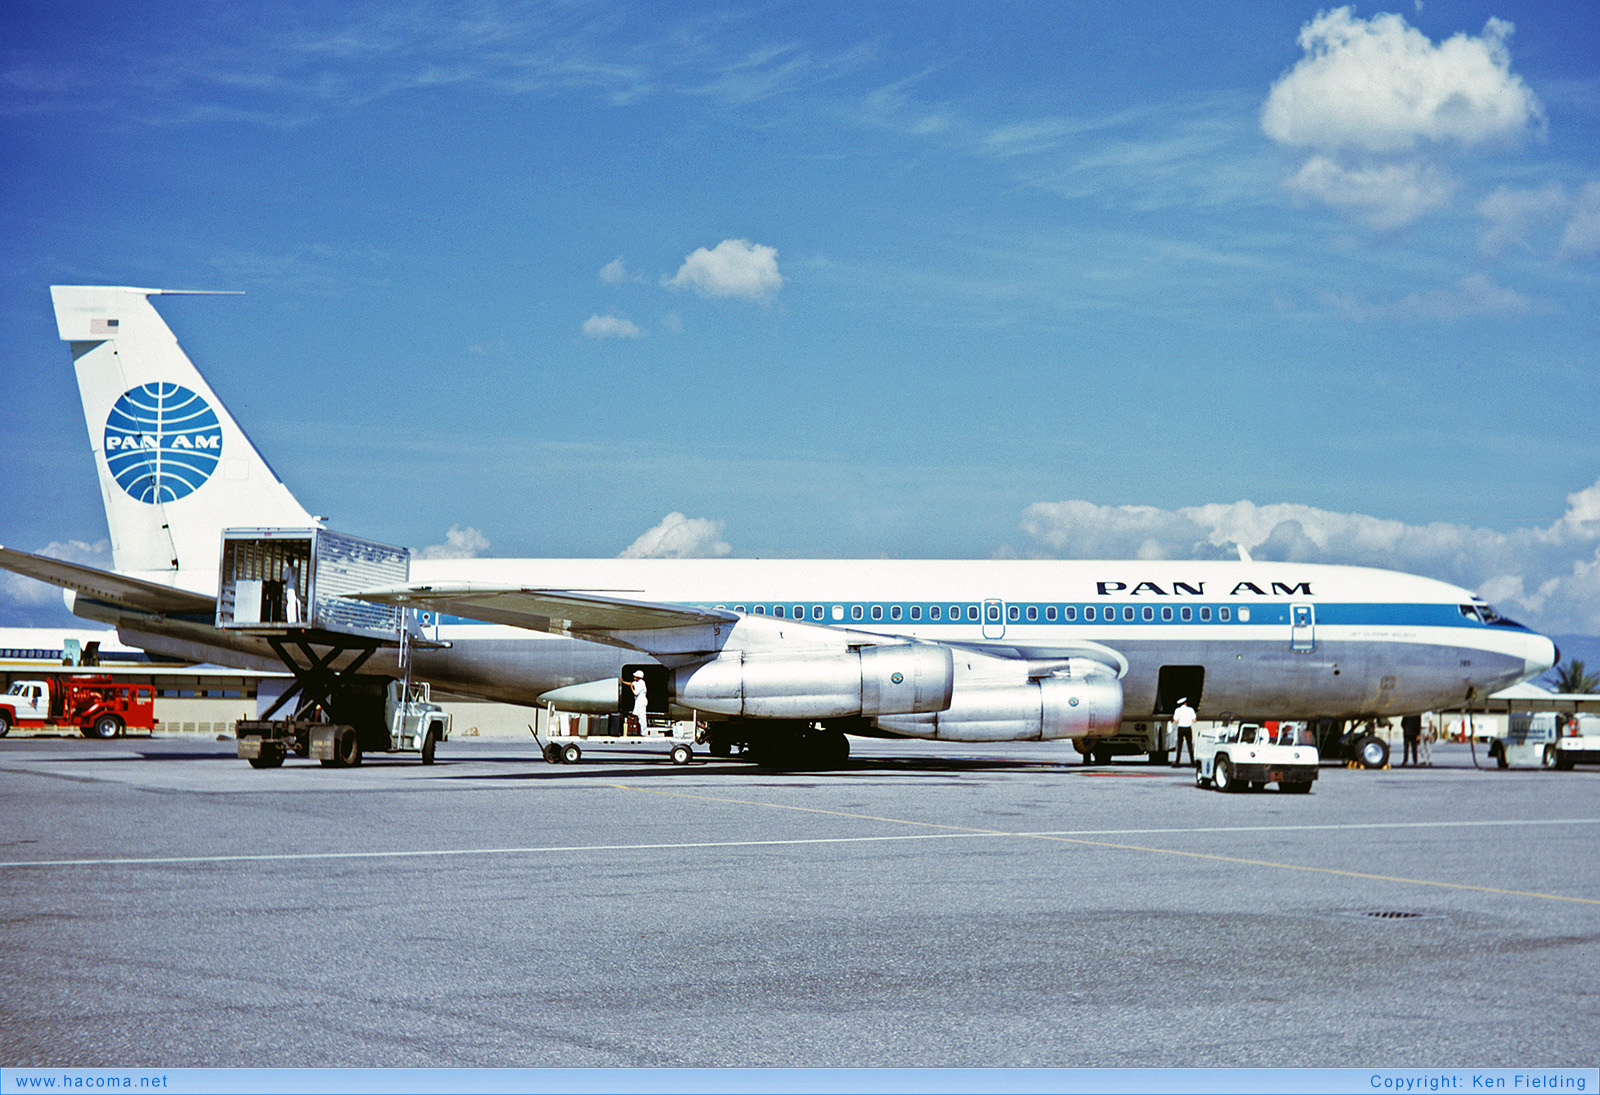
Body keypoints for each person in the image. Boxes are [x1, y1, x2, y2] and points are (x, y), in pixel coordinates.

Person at [1171, 697, 1197, 767]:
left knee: (1179, 746)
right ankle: (1192, 762)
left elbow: (1175, 721)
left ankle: (1177, 762)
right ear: (1186, 703)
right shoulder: (1191, 709)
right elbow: (1194, 720)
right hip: (1188, 728)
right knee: (1190, 746)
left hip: (1181, 728)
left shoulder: (1177, 710)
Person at [626, 670, 648, 735]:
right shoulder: (637, 682)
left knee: (642, 717)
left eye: (635, 676)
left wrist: (631, 687)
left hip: (641, 701)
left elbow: (635, 693)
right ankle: (640, 731)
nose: (634, 677)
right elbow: (630, 683)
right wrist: (622, 681)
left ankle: (643, 732)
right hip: (638, 701)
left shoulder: (641, 683)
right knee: (638, 716)